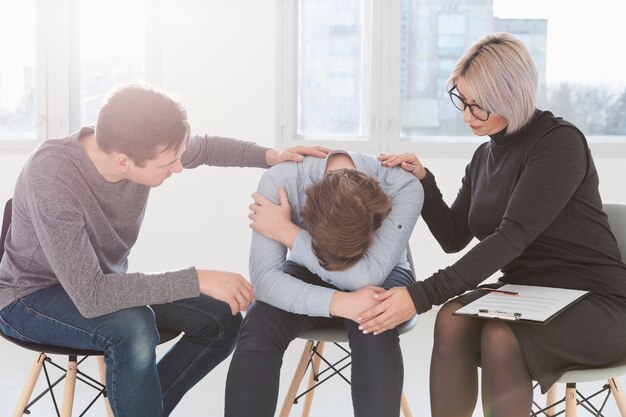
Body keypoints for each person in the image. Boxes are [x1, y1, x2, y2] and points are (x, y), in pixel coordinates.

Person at [0, 83, 329, 417]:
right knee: (134, 325)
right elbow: (93, 295)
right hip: (28, 299)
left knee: (221, 317)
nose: (178, 167)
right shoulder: (53, 175)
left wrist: (270, 157)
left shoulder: (143, 143)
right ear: (124, 162)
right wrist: (197, 278)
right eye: (169, 163)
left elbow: (206, 149)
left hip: (98, 286)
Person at [356, 32, 626, 417]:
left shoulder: (559, 144)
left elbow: (510, 239)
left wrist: (418, 296)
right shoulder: (484, 157)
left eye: (477, 106)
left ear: (509, 96)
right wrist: (424, 182)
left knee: (501, 336)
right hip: (528, 295)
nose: (466, 115)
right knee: (451, 320)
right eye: (461, 101)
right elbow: (453, 237)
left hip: (596, 301)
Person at [224, 150, 424, 417]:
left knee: (376, 315)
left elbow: (367, 276)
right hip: (308, 269)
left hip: (381, 271)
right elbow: (264, 280)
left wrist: (287, 232)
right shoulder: (282, 179)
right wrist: (342, 303)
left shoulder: (403, 184)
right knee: (260, 319)